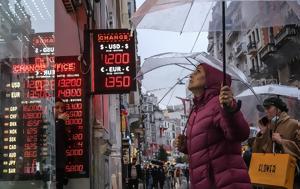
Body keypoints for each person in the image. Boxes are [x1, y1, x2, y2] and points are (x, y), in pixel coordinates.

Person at [175, 64, 252, 189]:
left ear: (211, 79)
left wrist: (230, 109)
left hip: (225, 183)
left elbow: (240, 133)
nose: (191, 75)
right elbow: (207, 147)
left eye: (198, 71)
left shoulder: (218, 103)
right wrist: (186, 145)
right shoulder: (196, 110)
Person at [252, 97, 300, 188]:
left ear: (278, 108)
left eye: (268, 108)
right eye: (265, 109)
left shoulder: (293, 124)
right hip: (269, 178)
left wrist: (282, 142)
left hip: (288, 178)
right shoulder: (267, 125)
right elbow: (257, 152)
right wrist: (261, 134)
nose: (266, 111)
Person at [54, 98, 68, 189]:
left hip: (60, 166)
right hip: (50, 166)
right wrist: (60, 121)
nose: (60, 110)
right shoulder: (45, 123)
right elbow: (54, 137)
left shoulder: (62, 124)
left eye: (62, 108)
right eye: (57, 107)